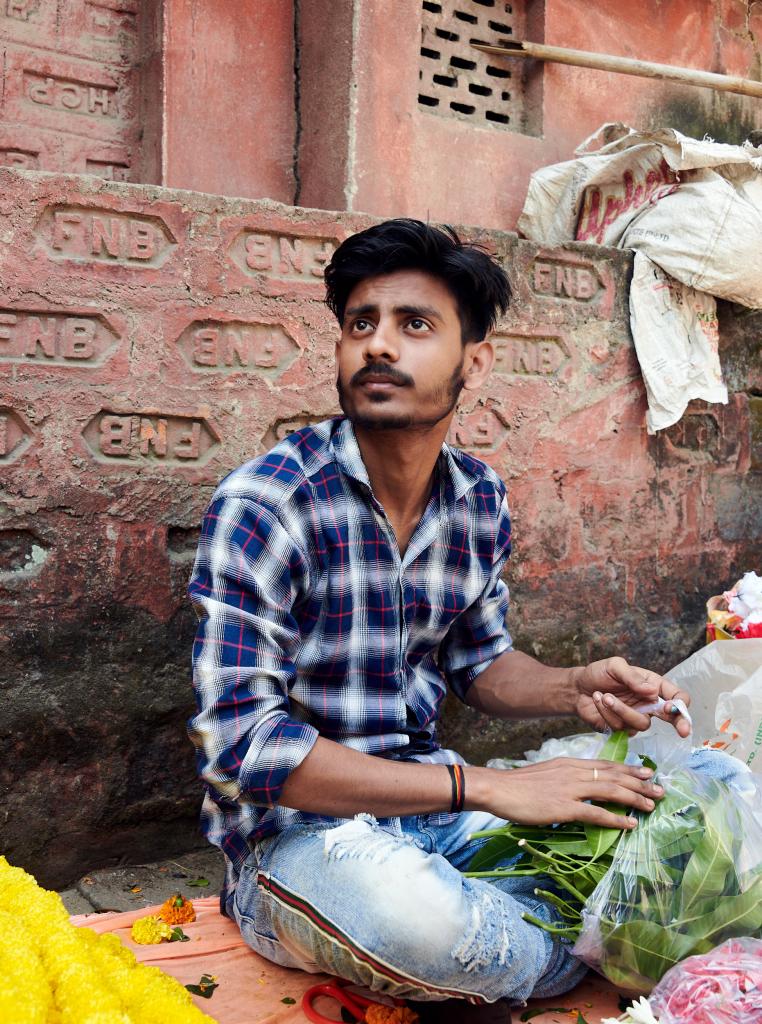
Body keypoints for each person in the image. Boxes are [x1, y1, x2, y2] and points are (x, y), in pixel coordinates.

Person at [188, 219, 691, 1020]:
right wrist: (491, 787)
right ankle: (532, 955)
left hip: (437, 822)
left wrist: (574, 686)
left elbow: (481, 663)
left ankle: (498, 958)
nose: (377, 346)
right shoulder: (269, 503)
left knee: (677, 834)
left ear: (475, 361)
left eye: (413, 325)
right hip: (301, 846)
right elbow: (244, 750)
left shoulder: (477, 498)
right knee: (411, 914)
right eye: (361, 324)